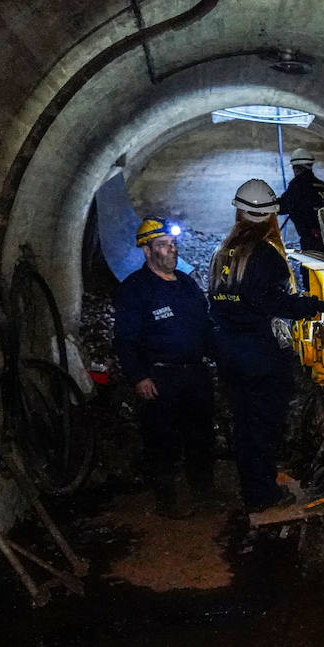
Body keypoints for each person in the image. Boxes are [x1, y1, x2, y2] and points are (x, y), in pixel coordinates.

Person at [210, 179, 324, 511]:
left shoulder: (222, 253)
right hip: (259, 356)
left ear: (240, 212)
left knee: (244, 425)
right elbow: (277, 302)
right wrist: (317, 306)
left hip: (229, 353)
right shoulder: (265, 254)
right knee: (264, 426)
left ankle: (253, 487)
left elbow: (220, 306)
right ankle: (263, 495)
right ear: (270, 216)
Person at [113, 217, 215, 518]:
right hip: (160, 377)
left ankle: (203, 491)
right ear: (147, 251)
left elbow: (205, 326)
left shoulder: (187, 284)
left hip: (194, 373)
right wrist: (139, 376)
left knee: (200, 435)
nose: (171, 251)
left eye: (172, 245)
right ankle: (168, 502)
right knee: (162, 440)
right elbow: (125, 339)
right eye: (163, 246)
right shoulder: (135, 290)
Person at [277, 148, 324, 252]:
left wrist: (266, 206)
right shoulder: (322, 186)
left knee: (309, 263)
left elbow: (283, 206)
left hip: (310, 238)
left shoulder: (298, 184)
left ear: (297, 168)